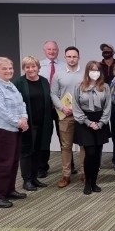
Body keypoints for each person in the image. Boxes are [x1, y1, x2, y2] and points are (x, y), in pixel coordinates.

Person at [0, 57, 29, 208]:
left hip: (15, 128)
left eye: (10, 68)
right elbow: (1, 111)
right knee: (4, 163)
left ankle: (9, 190)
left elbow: (21, 103)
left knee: (14, 161)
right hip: (4, 129)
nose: (9, 71)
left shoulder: (10, 85)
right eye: (4, 69)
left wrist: (24, 118)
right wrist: (19, 122)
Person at [13, 55, 53, 192]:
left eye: (33, 66)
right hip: (27, 124)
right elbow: (14, 104)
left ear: (38, 67)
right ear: (24, 68)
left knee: (38, 151)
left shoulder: (44, 81)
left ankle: (35, 178)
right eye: (27, 67)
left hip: (43, 122)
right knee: (26, 152)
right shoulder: (19, 82)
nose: (31, 69)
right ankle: (26, 180)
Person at [72, 61, 111, 194]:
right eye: (92, 70)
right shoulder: (79, 87)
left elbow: (107, 107)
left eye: (97, 70)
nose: (95, 72)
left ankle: (94, 182)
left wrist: (100, 123)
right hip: (84, 122)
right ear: (87, 71)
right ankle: (87, 182)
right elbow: (76, 107)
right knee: (90, 153)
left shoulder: (105, 87)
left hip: (100, 121)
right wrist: (89, 123)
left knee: (97, 154)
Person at [50, 46, 85, 188]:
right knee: (66, 146)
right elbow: (53, 94)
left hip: (82, 115)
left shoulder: (85, 74)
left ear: (78, 57)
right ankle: (66, 175)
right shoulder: (58, 75)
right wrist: (62, 107)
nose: (72, 59)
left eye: (74, 56)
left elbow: (89, 92)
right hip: (65, 115)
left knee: (84, 145)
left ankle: (84, 172)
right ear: (65, 58)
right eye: (69, 56)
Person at [38, 40, 71, 178]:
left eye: (54, 49)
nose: (52, 51)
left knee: (65, 137)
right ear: (44, 50)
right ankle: (42, 167)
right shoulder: (38, 65)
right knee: (44, 137)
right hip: (44, 107)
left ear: (58, 51)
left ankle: (70, 165)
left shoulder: (64, 66)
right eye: (49, 49)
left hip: (61, 107)